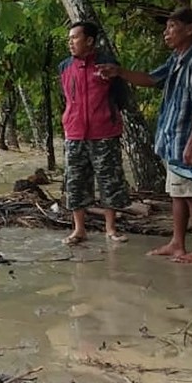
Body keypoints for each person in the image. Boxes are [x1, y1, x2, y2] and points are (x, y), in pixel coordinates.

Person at [97, 7, 192, 264]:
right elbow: (152, 79)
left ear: (189, 29)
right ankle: (177, 243)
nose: (166, 33)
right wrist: (119, 72)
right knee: (177, 193)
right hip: (172, 139)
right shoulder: (177, 58)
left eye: (172, 27)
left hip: (186, 140)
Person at [58, 21, 131, 245]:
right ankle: (79, 229)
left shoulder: (107, 65)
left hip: (104, 133)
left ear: (89, 41)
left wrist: (107, 116)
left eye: (75, 37)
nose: (70, 42)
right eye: (69, 38)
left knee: (109, 180)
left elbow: (122, 97)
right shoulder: (64, 67)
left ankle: (111, 229)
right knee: (75, 182)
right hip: (75, 133)